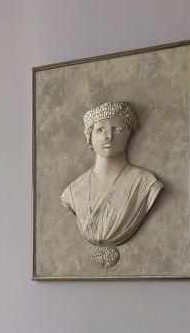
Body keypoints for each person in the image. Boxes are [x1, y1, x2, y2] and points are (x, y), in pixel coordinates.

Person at [61, 100, 163, 253]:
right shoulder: (73, 191)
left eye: (118, 129)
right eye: (100, 130)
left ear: (129, 134)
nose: (108, 136)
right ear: (89, 137)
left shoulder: (145, 182)